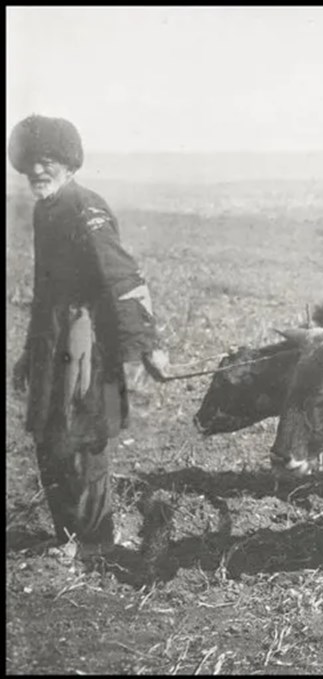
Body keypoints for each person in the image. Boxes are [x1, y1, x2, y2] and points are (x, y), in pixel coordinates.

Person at [8, 114, 170, 559]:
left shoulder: (86, 208)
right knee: (50, 438)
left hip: (90, 346)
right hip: (52, 342)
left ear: (67, 163)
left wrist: (146, 346)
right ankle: (69, 538)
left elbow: (123, 278)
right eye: (30, 164)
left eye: (46, 161)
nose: (37, 172)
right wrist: (28, 353)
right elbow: (44, 291)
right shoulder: (46, 211)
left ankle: (97, 543)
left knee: (87, 439)